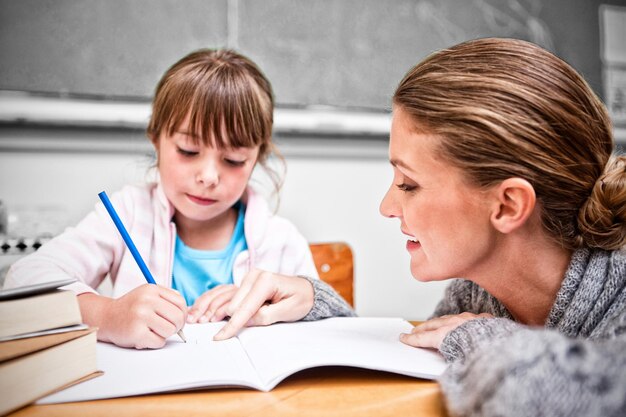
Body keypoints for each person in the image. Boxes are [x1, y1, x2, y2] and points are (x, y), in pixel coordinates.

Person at [214, 38, 626, 416]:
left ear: (507, 205)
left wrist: (484, 336)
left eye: (409, 185)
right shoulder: (478, 291)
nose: (387, 206)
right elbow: (414, 354)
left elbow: (547, 396)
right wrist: (315, 305)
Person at [4, 48, 351, 349]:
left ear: (257, 158)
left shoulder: (280, 240)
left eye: (233, 160)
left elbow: (339, 331)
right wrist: (108, 315)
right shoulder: (126, 214)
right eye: (187, 150)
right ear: (156, 139)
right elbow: (24, 278)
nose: (209, 176)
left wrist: (309, 297)